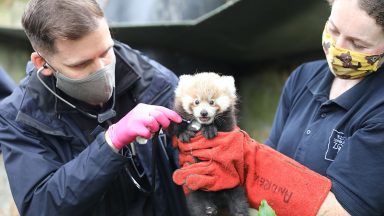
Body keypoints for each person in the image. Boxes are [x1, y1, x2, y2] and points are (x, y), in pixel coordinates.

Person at [172, 0, 384, 215]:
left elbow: (344, 211)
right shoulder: (303, 77)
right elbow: (272, 155)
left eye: (358, 44)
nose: (339, 47)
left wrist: (248, 160)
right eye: (333, 29)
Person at [0, 0, 189, 215]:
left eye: (106, 52)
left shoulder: (155, 81)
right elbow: (40, 207)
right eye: (81, 64)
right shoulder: (19, 117)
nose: (102, 69)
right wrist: (109, 145)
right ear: (42, 63)